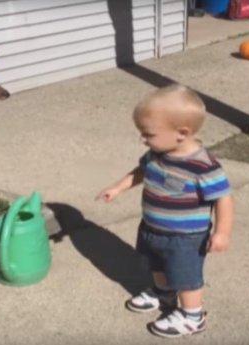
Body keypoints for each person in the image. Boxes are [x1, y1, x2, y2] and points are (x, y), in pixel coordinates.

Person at [96, 84, 234, 338]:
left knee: (185, 275)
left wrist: (222, 232)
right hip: (151, 227)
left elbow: (223, 199)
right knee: (156, 265)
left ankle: (193, 316)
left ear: (182, 133)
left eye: (148, 134)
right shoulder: (156, 154)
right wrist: (117, 188)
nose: (143, 139)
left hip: (185, 238)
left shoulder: (203, 166)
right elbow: (140, 172)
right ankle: (163, 294)